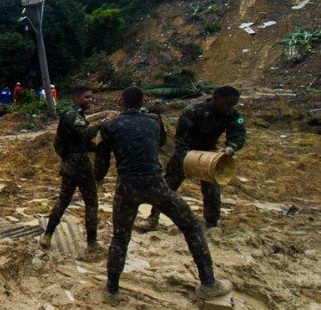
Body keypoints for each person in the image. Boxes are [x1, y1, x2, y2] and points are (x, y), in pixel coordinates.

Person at [94, 87, 233, 304]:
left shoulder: (109, 126)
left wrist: (99, 178)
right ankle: (208, 283)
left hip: (127, 186)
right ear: (142, 102)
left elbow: (102, 162)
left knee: (120, 238)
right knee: (192, 226)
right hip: (156, 184)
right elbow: (158, 143)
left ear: (121, 101)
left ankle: (111, 291)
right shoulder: (153, 121)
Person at [136, 85, 246, 231]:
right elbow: (181, 141)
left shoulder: (232, 114)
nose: (229, 108)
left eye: (233, 104)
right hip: (185, 152)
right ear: (216, 98)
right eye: (227, 104)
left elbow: (238, 134)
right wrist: (188, 158)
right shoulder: (193, 112)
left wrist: (231, 147)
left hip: (210, 155)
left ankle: (211, 223)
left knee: (212, 191)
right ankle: (153, 218)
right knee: (167, 188)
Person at [39, 85, 115, 254]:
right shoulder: (71, 115)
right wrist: (106, 122)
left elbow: (83, 141)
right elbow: (86, 133)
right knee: (91, 202)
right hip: (79, 165)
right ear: (77, 98)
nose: (90, 100)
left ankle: (47, 235)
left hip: (68, 165)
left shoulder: (76, 115)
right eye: (87, 97)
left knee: (63, 200)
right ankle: (92, 242)